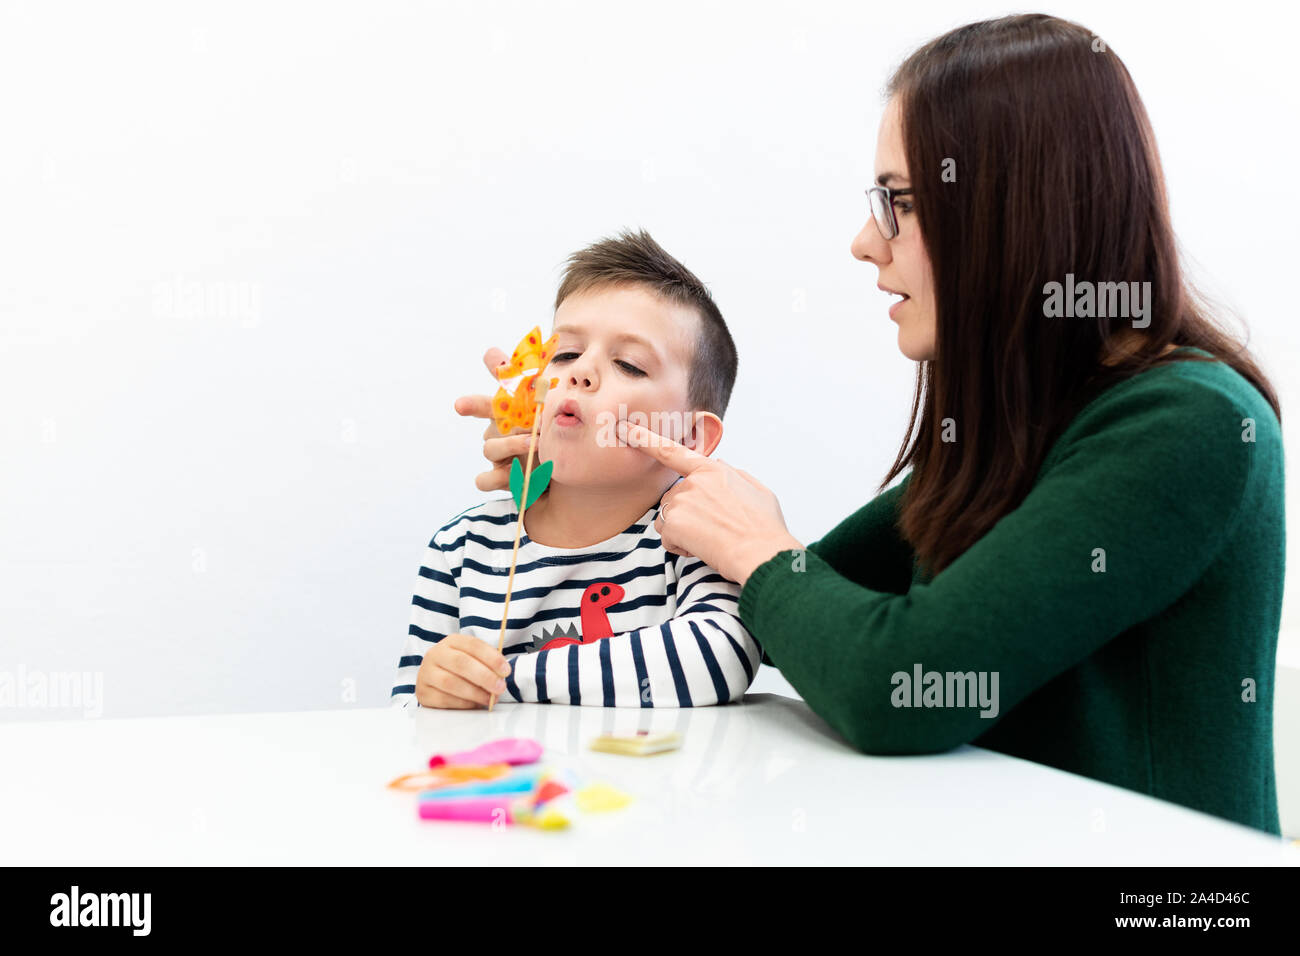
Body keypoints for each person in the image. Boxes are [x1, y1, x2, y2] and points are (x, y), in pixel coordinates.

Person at [457, 15, 1284, 834]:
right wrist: (588, 501)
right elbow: (795, 623)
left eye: (899, 204)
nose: (864, 241)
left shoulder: (1191, 424)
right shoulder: (1020, 433)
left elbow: (897, 682)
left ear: (1014, 208)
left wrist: (755, 548)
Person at [392, 229, 760, 709]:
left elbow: (718, 657)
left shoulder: (694, 539)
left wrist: (500, 683)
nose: (579, 371)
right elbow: (403, 723)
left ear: (688, 436)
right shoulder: (460, 550)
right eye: (564, 353)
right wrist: (433, 692)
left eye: (629, 364)